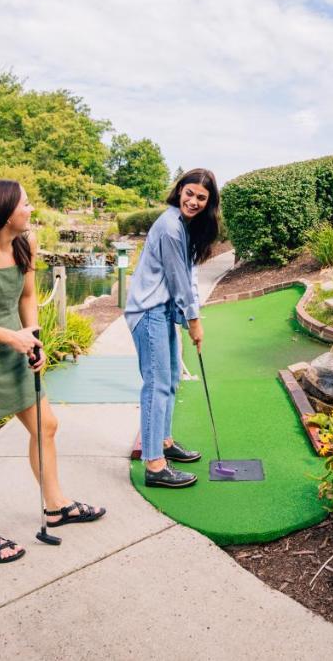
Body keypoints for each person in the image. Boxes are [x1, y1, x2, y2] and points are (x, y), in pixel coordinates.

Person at [0, 179, 104, 564]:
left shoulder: (23, 245)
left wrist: (33, 337)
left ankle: (55, 505)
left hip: (16, 350)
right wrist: (12, 338)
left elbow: (28, 297)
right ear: (2, 211)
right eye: (25, 204)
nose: (31, 210)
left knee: (46, 425)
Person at [125, 168, 221, 488]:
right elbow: (178, 279)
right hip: (149, 311)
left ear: (209, 203)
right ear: (180, 190)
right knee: (157, 384)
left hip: (162, 311)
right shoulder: (169, 227)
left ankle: (164, 442)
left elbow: (187, 276)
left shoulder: (184, 226)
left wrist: (184, 316)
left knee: (170, 380)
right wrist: (194, 321)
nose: (193, 201)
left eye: (201, 198)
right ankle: (154, 465)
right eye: (189, 193)